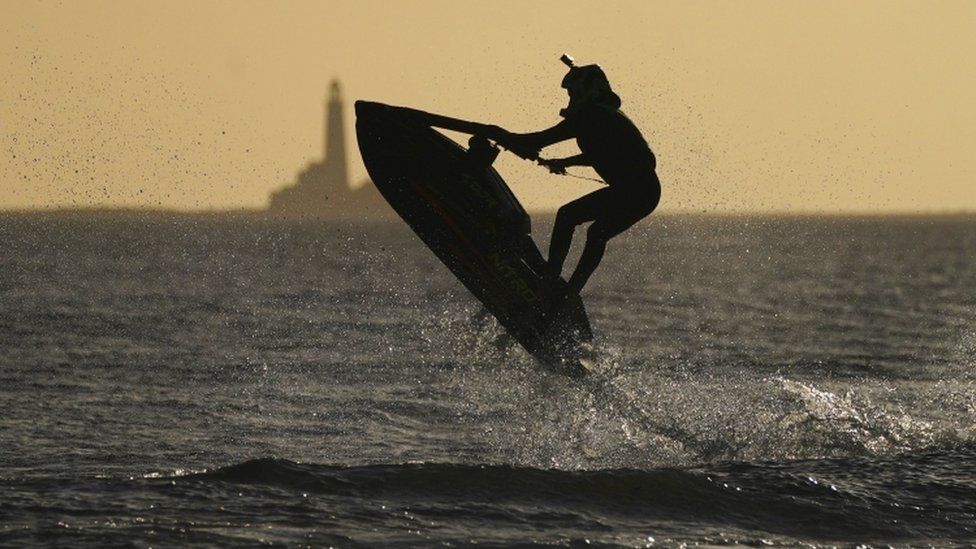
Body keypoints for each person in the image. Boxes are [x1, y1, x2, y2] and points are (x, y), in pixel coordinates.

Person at [495, 55, 661, 298]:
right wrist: (564, 162)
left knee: (567, 216)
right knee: (597, 233)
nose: (570, 100)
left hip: (636, 190)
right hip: (646, 192)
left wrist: (507, 137)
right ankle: (569, 292)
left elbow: (541, 139)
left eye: (573, 94)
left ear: (587, 92)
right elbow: (604, 154)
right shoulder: (604, 116)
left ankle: (550, 278)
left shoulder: (593, 116)